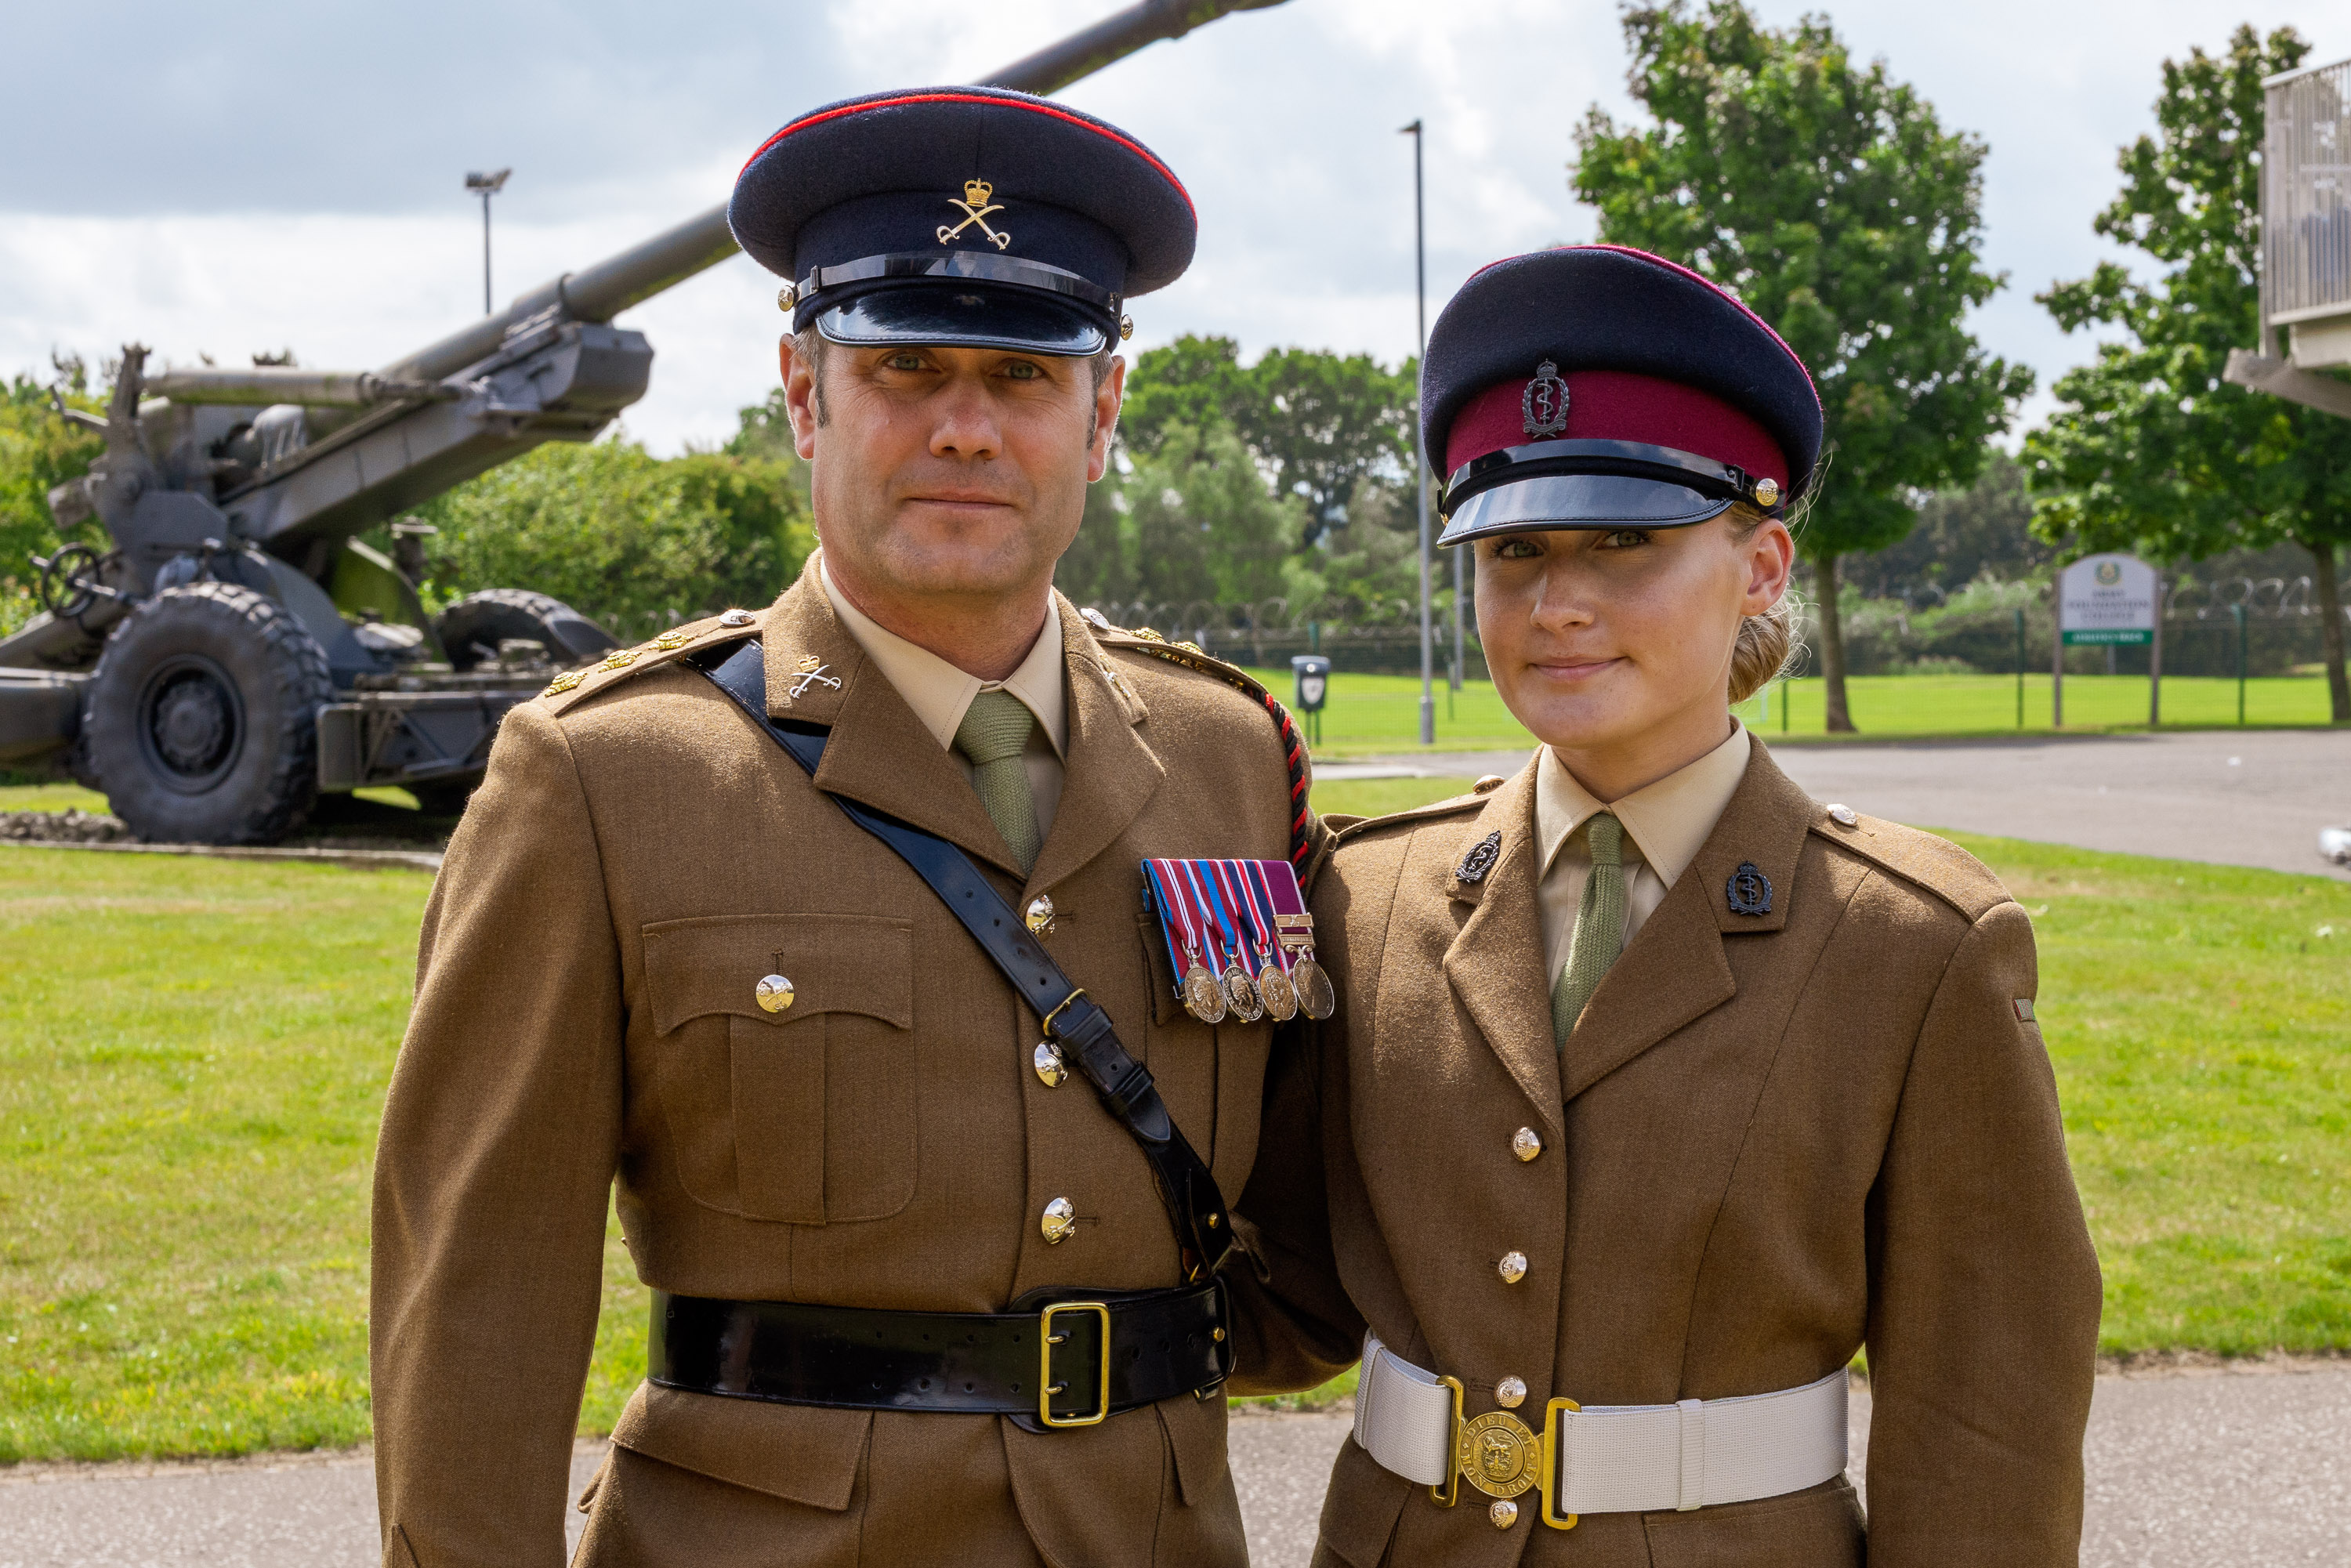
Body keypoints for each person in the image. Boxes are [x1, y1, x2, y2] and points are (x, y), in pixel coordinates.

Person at [371, 86, 1327, 1568]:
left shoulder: (1226, 758)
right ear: (804, 393)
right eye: (906, 370)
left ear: (1106, 411)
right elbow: (478, 1304)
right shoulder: (608, 780)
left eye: (1022, 374)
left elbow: (1318, 1239)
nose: (964, 425)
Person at [1223, 245, 2102, 1566]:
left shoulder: (1915, 944)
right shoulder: (1369, 891)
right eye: (1512, 549)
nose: (1557, 603)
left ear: (1760, 567)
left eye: (1625, 540)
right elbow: (1280, 1290)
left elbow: (1989, 1417)